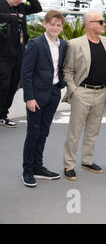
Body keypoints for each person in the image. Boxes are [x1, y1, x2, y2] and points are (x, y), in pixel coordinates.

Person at [62, 12, 106, 181]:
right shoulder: (74, 44)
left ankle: (87, 160)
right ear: (89, 24)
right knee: (74, 132)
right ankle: (69, 164)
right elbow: (67, 71)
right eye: (101, 22)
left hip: (102, 92)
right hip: (81, 93)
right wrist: (74, 91)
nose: (104, 24)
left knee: (93, 130)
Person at [20, 10, 67, 187]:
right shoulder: (35, 44)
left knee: (44, 132)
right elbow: (26, 73)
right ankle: (27, 170)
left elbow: (59, 67)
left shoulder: (63, 45)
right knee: (33, 133)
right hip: (37, 96)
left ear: (62, 28)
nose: (55, 27)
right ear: (45, 24)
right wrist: (29, 98)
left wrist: (60, 85)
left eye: (58, 25)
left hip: (53, 94)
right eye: (52, 24)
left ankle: (38, 167)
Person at [0, 0, 42, 128]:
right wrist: (12, 17)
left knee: (12, 86)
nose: (20, 1)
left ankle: (3, 115)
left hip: (19, 54)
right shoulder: (1, 5)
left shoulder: (21, 7)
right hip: (3, 55)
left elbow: (38, 8)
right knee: (2, 86)